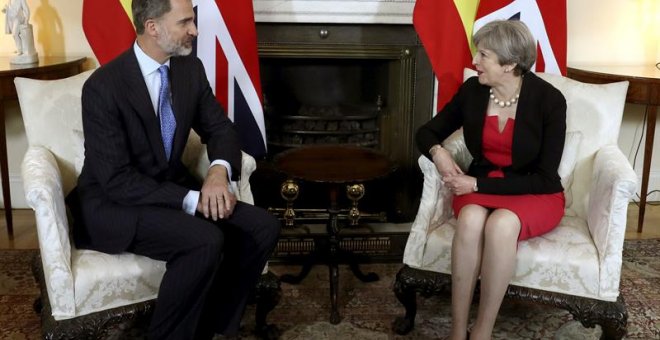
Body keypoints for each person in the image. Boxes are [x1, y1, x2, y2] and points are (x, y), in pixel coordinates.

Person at [66, 0, 280, 339]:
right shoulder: (103, 87)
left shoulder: (188, 70)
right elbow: (116, 180)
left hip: (168, 189)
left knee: (263, 226)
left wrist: (217, 173)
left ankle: (213, 328)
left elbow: (221, 129)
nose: (194, 30)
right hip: (113, 204)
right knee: (204, 240)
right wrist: (193, 199)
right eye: (185, 22)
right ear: (153, 27)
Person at [415, 20, 566, 340]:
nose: (474, 62)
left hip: (534, 191)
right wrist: (439, 153)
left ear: (510, 64)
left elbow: (544, 179)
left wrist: (476, 185)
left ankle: (482, 330)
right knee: (469, 219)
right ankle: (458, 330)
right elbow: (426, 131)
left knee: (501, 226)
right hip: (481, 182)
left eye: (484, 55)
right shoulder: (474, 91)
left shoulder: (550, 101)